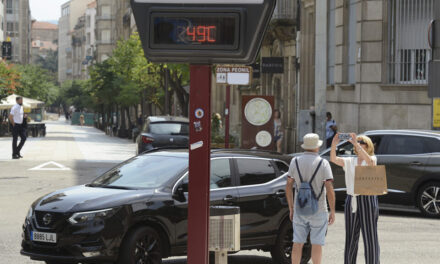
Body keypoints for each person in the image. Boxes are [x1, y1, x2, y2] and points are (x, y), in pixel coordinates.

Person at [285, 133, 336, 264]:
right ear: (317, 147)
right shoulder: (323, 163)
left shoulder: (294, 161)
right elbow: (329, 188)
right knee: (317, 244)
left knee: (297, 243)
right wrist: (333, 211)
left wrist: (291, 207)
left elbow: (288, 185)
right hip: (319, 209)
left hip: (299, 208)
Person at [330, 133, 380, 264]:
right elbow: (334, 159)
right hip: (351, 199)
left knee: (370, 236)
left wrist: (355, 143)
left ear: (368, 146)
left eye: (362, 142)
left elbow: (369, 162)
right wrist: (334, 144)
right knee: (351, 237)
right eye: (358, 142)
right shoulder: (350, 160)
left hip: (367, 198)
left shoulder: (373, 158)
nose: (358, 144)